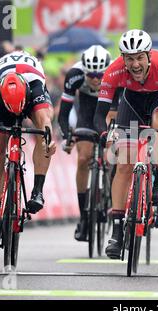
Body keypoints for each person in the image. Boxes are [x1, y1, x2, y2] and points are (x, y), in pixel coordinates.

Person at [93, 29, 158, 259]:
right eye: (129, 58)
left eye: (139, 58)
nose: (135, 64)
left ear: (149, 56)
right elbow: (99, 115)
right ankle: (116, 231)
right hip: (131, 103)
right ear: (123, 58)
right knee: (124, 163)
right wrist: (106, 134)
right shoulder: (114, 70)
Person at [0, 50, 56, 247]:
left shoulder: (35, 86)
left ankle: (37, 190)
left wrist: (49, 141)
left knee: (43, 137)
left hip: (28, 90)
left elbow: (45, 121)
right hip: (3, 100)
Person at [58, 45, 114, 242]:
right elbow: (63, 114)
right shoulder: (74, 75)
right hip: (87, 113)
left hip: (110, 112)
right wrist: (67, 135)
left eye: (100, 74)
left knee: (111, 159)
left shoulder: (116, 75)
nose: (96, 79)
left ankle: (111, 199)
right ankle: (83, 217)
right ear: (84, 70)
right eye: (91, 74)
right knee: (83, 159)